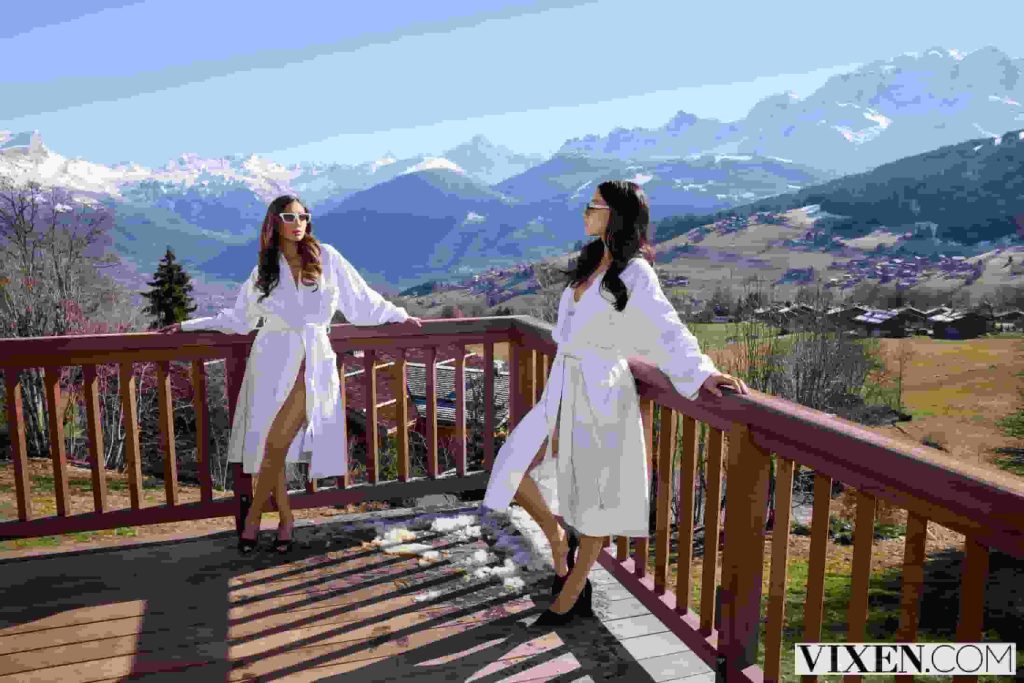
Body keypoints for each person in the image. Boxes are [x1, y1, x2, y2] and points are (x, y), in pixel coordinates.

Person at [482, 180, 748, 626]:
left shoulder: (636, 273)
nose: (585, 212)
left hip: (601, 390)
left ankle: (571, 590)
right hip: (563, 383)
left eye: (594, 206)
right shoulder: (591, 261)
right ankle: (557, 539)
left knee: (595, 495)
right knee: (512, 464)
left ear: (616, 215)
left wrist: (703, 372)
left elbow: (667, 328)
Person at [158, 195, 421, 554]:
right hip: (270, 360)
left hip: (313, 362)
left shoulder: (326, 257)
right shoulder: (265, 269)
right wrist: (189, 325)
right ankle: (285, 518)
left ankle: (254, 517)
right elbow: (239, 319)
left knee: (275, 442)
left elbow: (361, 300)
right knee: (271, 443)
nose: (299, 223)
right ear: (274, 222)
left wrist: (399, 316)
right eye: (289, 217)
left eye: (303, 216)